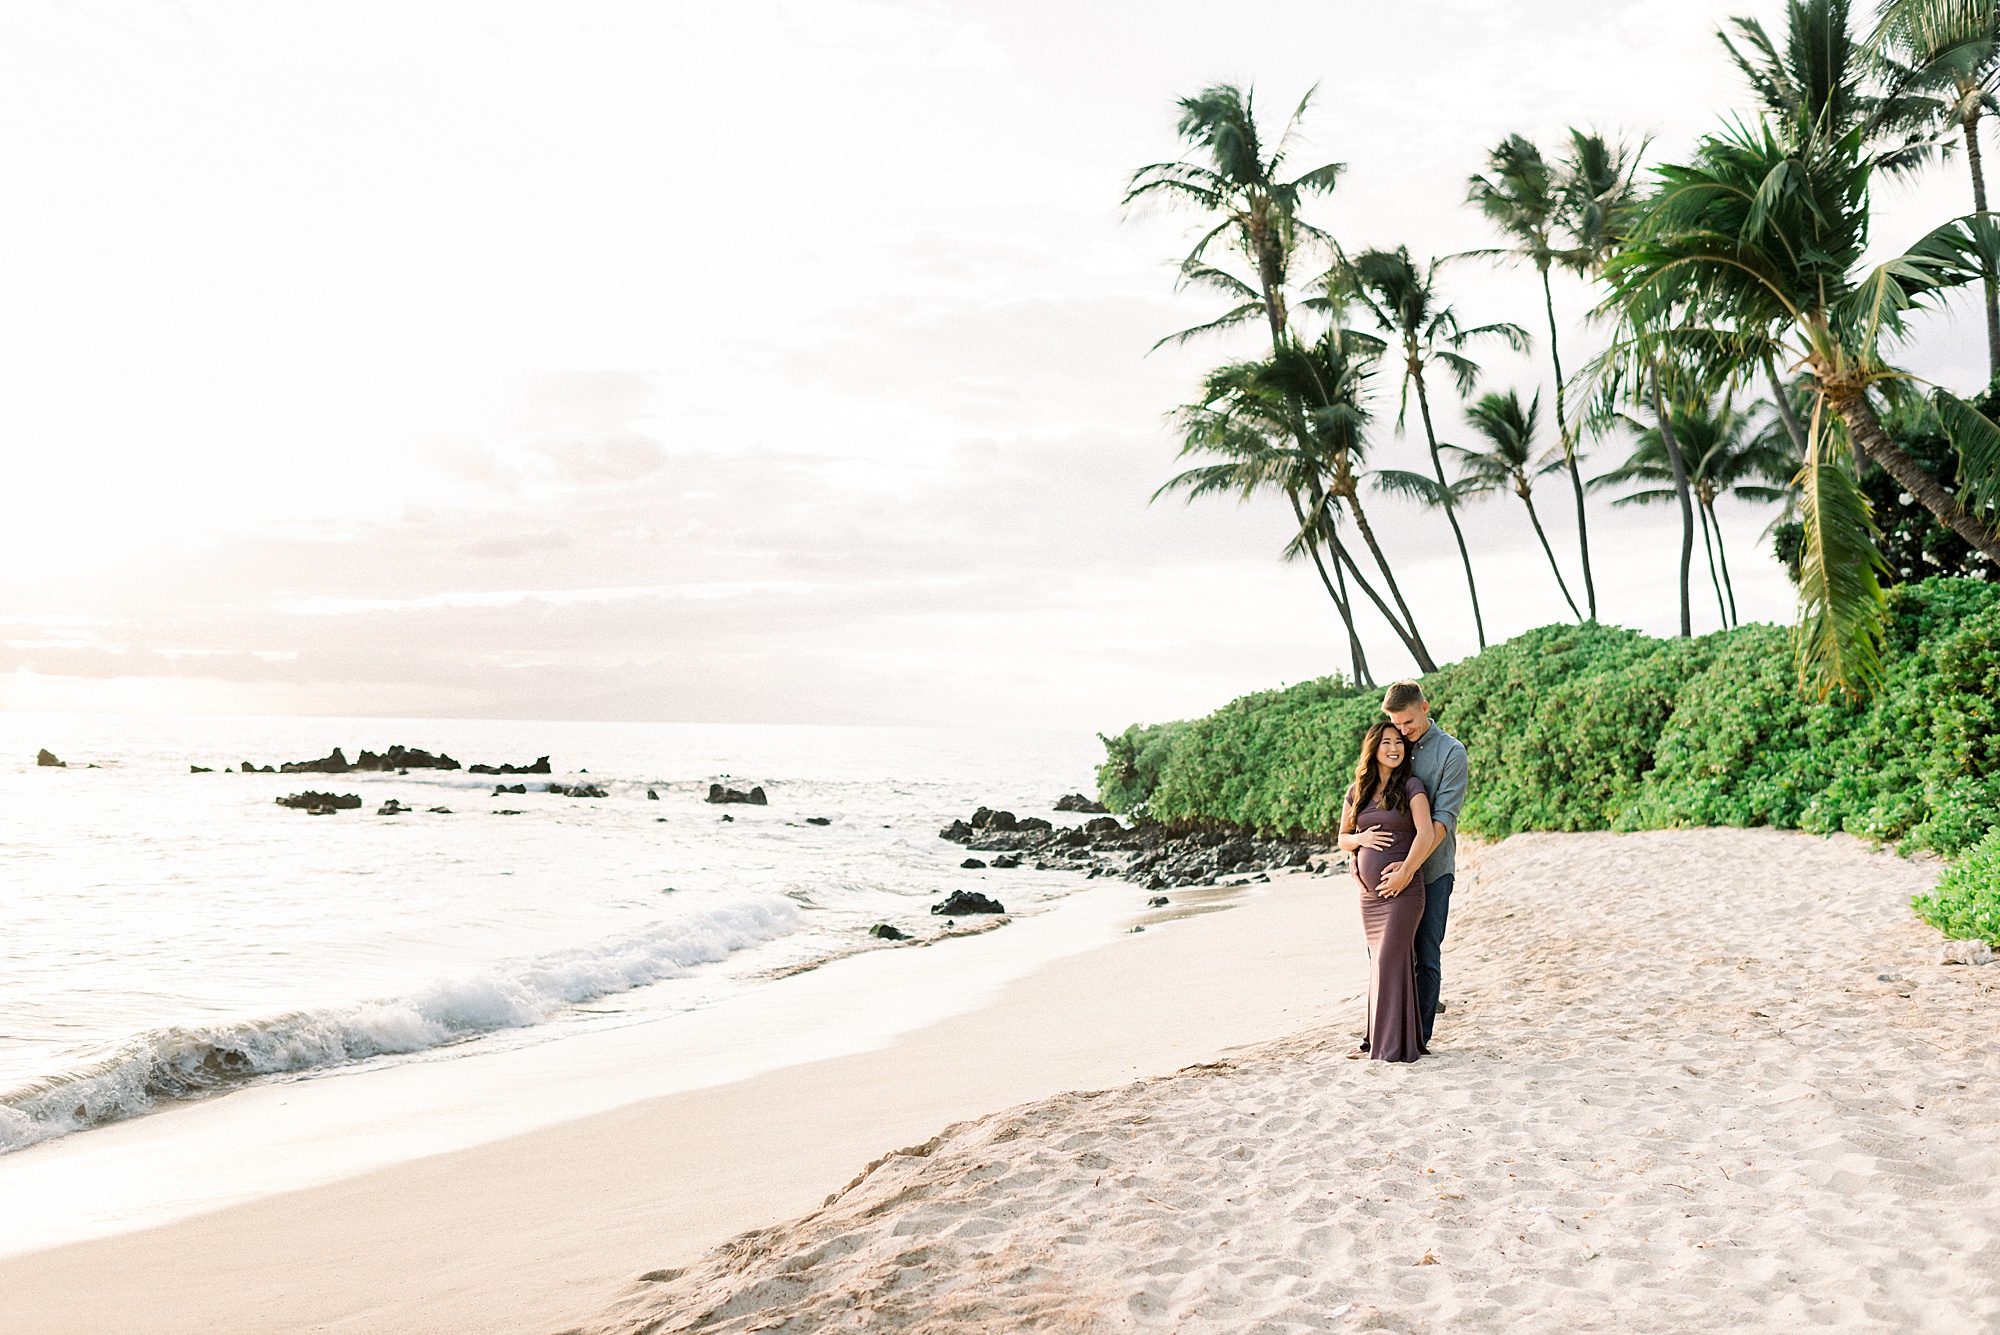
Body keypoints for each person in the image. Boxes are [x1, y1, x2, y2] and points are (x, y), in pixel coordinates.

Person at [1336, 720, 1439, 1062]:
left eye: (1398, 742)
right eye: (1386, 743)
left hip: (1404, 893)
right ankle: (1380, 1041)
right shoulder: (1357, 791)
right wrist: (1361, 842)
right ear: (1373, 749)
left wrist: (1405, 872)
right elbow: (1342, 838)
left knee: (1388, 961)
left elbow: (1425, 834)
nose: (1394, 748)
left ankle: (1392, 1046)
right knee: (1382, 966)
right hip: (1370, 898)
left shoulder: (1413, 786)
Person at [1380, 680, 1468, 1046]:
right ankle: (1389, 1031)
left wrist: (1408, 870)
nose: (1402, 731)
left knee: (1426, 954)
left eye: (1408, 723)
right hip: (1388, 874)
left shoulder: (1451, 752)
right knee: (1387, 954)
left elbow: (1442, 821)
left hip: (1432, 871)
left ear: (1425, 707)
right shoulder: (1391, 745)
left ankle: (1420, 1037)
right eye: (1396, 724)